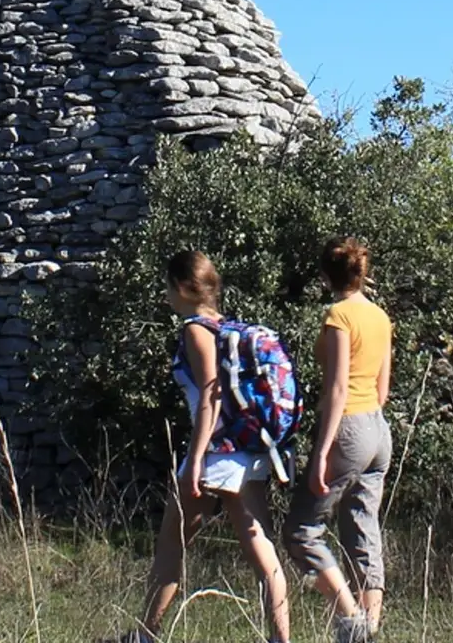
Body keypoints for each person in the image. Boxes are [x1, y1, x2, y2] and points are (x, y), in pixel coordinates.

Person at [114, 251, 292, 643]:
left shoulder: (196, 330)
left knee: (170, 548)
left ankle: (145, 636)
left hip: (216, 453)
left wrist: (194, 462)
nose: (166, 295)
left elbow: (210, 395)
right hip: (250, 450)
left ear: (181, 287)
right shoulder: (231, 329)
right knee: (262, 552)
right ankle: (281, 639)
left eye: (167, 286)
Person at [284, 237, 394, 643]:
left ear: (324, 276)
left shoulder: (338, 316)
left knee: (301, 531)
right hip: (379, 430)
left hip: (348, 429)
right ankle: (371, 626)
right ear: (362, 273)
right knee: (363, 527)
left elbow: (336, 390)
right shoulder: (380, 317)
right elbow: (382, 390)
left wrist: (321, 453)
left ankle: (351, 620)